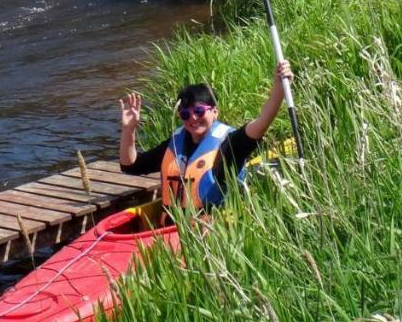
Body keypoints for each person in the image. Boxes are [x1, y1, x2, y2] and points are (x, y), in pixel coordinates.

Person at [118, 60, 294, 211]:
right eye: (185, 114)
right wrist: (129, 130)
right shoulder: (175, 143)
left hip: (207, 229)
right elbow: (130, 165)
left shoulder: (229, 144)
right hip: (170, 227)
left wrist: (279, 87)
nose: (193, 118)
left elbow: (262, 122)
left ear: (215, 112)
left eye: (199, 111)